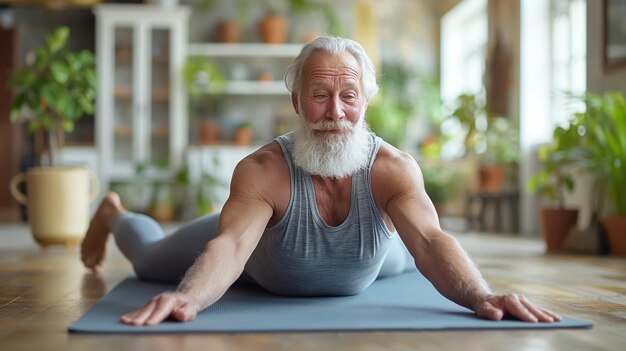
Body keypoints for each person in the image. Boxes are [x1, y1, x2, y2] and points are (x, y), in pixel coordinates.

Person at [81, 36, 561, 326]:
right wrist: (187, 299)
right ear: (296, 102)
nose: (335, 113)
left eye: (348, 96)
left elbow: (432, 241)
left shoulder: (392, 169)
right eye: (319, 95)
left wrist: (481, 295)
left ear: (365, 102)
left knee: (414, 255)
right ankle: (114, 212)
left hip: (372, 260)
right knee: (148, 260)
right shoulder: (263, 170)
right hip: (257, 262)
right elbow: (229, 247)